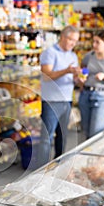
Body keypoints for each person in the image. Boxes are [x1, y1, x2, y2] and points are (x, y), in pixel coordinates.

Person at [39, 25, 81, 165]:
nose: (73, 44)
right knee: (47, 137)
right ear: (63, 37)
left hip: (67, 100)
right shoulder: (49, 53)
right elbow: (47, 76)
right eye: (71, 40)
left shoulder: (73, 55)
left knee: (63, 135)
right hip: (51, 101)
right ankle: (42, 167)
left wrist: (77, 78)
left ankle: (59, 164)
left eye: (75, 41)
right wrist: (67, 70)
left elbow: (72, 78)